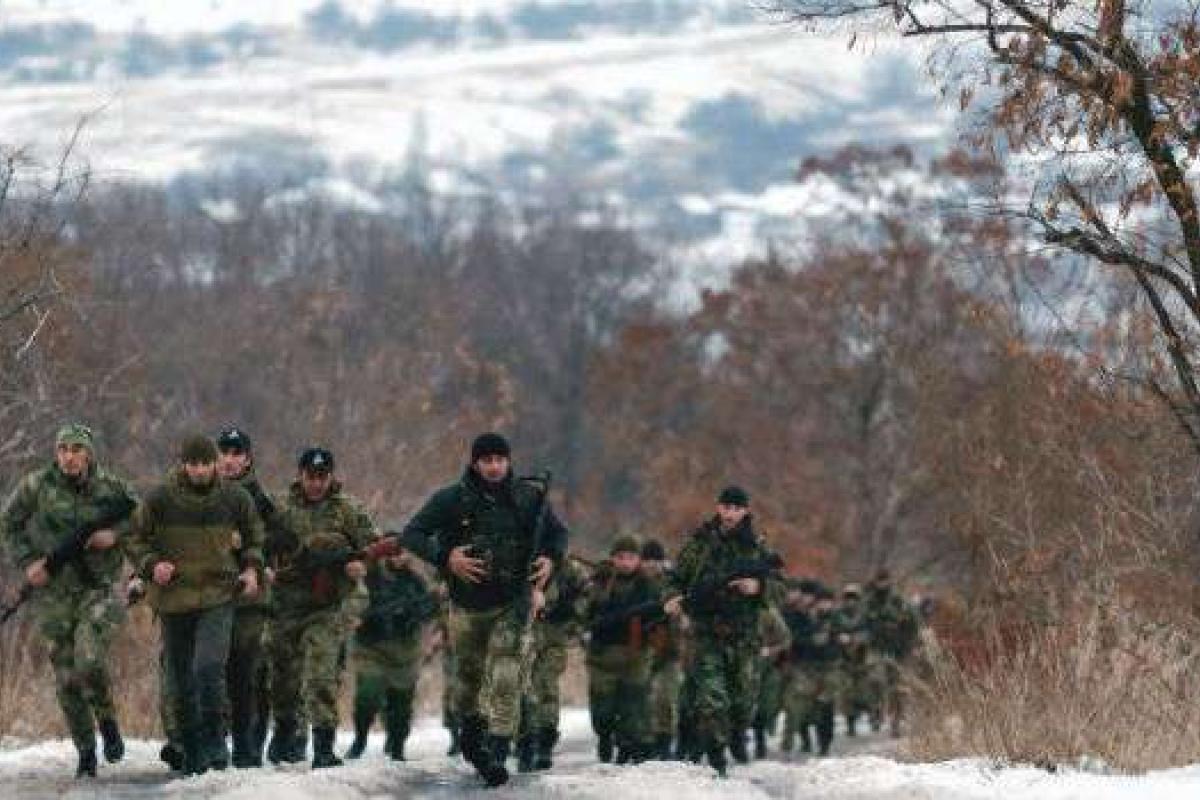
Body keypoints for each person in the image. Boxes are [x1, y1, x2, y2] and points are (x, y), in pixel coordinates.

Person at [398, 432, 568, 787]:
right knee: (468, 683)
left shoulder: (528, 497)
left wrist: (550, 562)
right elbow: (411, 534)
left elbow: (558, 536)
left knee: (507, 674)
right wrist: (446, 557)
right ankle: (473, 739)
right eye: (487, 460)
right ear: (475, 463)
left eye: (500, 459)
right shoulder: (452, 499)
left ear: (508, 461)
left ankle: (498, 749)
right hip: (467, 606)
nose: (494, 467)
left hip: (512, 602)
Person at [1, 423, 137, 778]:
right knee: (66, 678)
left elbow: (143, 518)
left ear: (88, 453)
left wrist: (114, 535)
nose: (69, 456)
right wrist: (29, 561)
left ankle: (107, 720)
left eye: (76, 449)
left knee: (88, 658)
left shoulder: (111, 487)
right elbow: (9, 524)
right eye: (63, 449)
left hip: (98, 589)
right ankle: (86, 751)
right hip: (55, 593)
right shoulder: (37, 486)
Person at [129, 433, 264, 775]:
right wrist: (151, 565)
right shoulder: (160, 498)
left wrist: (250, 570)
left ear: (214, 464)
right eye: (193, 464)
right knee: (180, 678)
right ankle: (191, 747)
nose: (200, 470)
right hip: (175, 597)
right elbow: (135, 538)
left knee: (208, 667)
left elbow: (254, 538)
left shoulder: (236, 498)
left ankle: (215, 740)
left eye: (206, 463)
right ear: (184, 464)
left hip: (218, 594)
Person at [266, 446, 381, 769]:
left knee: (321, 674)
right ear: (299, 475)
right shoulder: (280, 507)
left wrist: (359, 564)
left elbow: (372, 543)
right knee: (282, 677)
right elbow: (258, 541)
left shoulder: (346, 509)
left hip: (326, 606)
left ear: (331, 477)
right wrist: (263, 566)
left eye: (322, 477)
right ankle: (286, 730)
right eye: (310, 476)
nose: (316, 483)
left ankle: (324, 747)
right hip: (285, 605)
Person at [663, 485, 775, 776]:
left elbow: (781, 587)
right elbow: (674, 579)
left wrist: (758, 587)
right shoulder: (699, 545)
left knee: (742, 707)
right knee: (712, 701)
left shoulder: (758, 547)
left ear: (746, 511)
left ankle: (734, 736)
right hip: (706, 635)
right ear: (718, 508)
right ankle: (716, 760)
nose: (730, 514)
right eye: (726, 507)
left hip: (744, 638)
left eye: (737, 508)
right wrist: (671, 597)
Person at [215, 426, 277, 768]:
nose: (229, 460)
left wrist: (259, 558)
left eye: (236, 453)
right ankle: (219, 740)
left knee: (248, 670)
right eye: (224, 452)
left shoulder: (260, 498)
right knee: (215, 669)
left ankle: (250, 741)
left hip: (252, 600)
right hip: (213, 594)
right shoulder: (205, 493)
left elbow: (279, 542)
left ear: (248, 458)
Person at [346, 545, 436, 761]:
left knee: (401, 703)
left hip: (405, 650)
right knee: (368, 693)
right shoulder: (370, 578)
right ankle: (360, 739)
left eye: (403, 553)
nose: (399, 558)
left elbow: (428, 610)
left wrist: (411, 613)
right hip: (371, 646)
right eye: (394, 553)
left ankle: (397, 747)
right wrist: (363, 617)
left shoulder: (416, 582)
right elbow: (355, 605)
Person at [586, 535, 661, 764]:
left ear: (639, 559)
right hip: (603, 655)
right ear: (613, 558)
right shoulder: (600, 582)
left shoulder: (649, 585)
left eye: (632, 557)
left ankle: (629, 746)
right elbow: (586, 613)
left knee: (634, 704)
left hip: (635, 654)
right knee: (602, 710)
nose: (626, 562)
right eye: (621, 557)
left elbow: (659, 615)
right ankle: (605, 737)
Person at [518, 551, 589, 771]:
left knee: (546, 685)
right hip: (523, 632)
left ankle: (544, 742)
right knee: (523, 687)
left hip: (554, 634)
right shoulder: (521, 554)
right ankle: (525, 741)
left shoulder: (569, 567)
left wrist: (573, 617)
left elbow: (586, 594)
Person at [639, 538, 684, 760]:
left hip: (670, 649)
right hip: (640, 649)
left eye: (655, 560)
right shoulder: (635, 582)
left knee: (666, 698)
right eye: (646, 560)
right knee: (642, 699)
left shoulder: (672, 582)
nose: (650, 565)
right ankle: (645, 743)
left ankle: (665, 742)